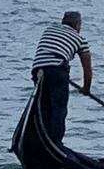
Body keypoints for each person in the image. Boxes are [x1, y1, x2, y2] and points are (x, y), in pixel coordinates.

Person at [30, 10, 92, 143]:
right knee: (58, 109)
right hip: (56, 71)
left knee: (44, 108)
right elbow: (87, 69)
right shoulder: (80, 40)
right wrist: (86, 88)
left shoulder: (50, 29)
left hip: (37, 69)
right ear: (77, 25)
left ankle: (43, 137)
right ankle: (55, 141)